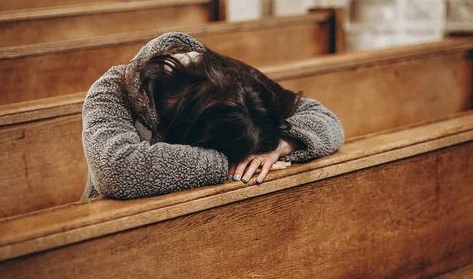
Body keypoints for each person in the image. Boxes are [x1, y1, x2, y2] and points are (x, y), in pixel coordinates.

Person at [81, 32, 344, 200]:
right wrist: (226, 163)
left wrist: (280, 145)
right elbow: (115, 170)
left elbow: (324, 118)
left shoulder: (229, 77)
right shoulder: (111, 90)